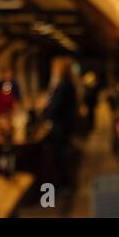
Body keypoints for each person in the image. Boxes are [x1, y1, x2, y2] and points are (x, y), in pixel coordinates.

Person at [45, 57, 77, 187]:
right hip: (65, 123)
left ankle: (64, 181)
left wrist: (46, 109)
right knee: (61, 151)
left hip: (60, 124)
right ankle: (64, 179)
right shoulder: (68, 83)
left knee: (60, 153)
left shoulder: (63, 85)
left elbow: (55, 106)